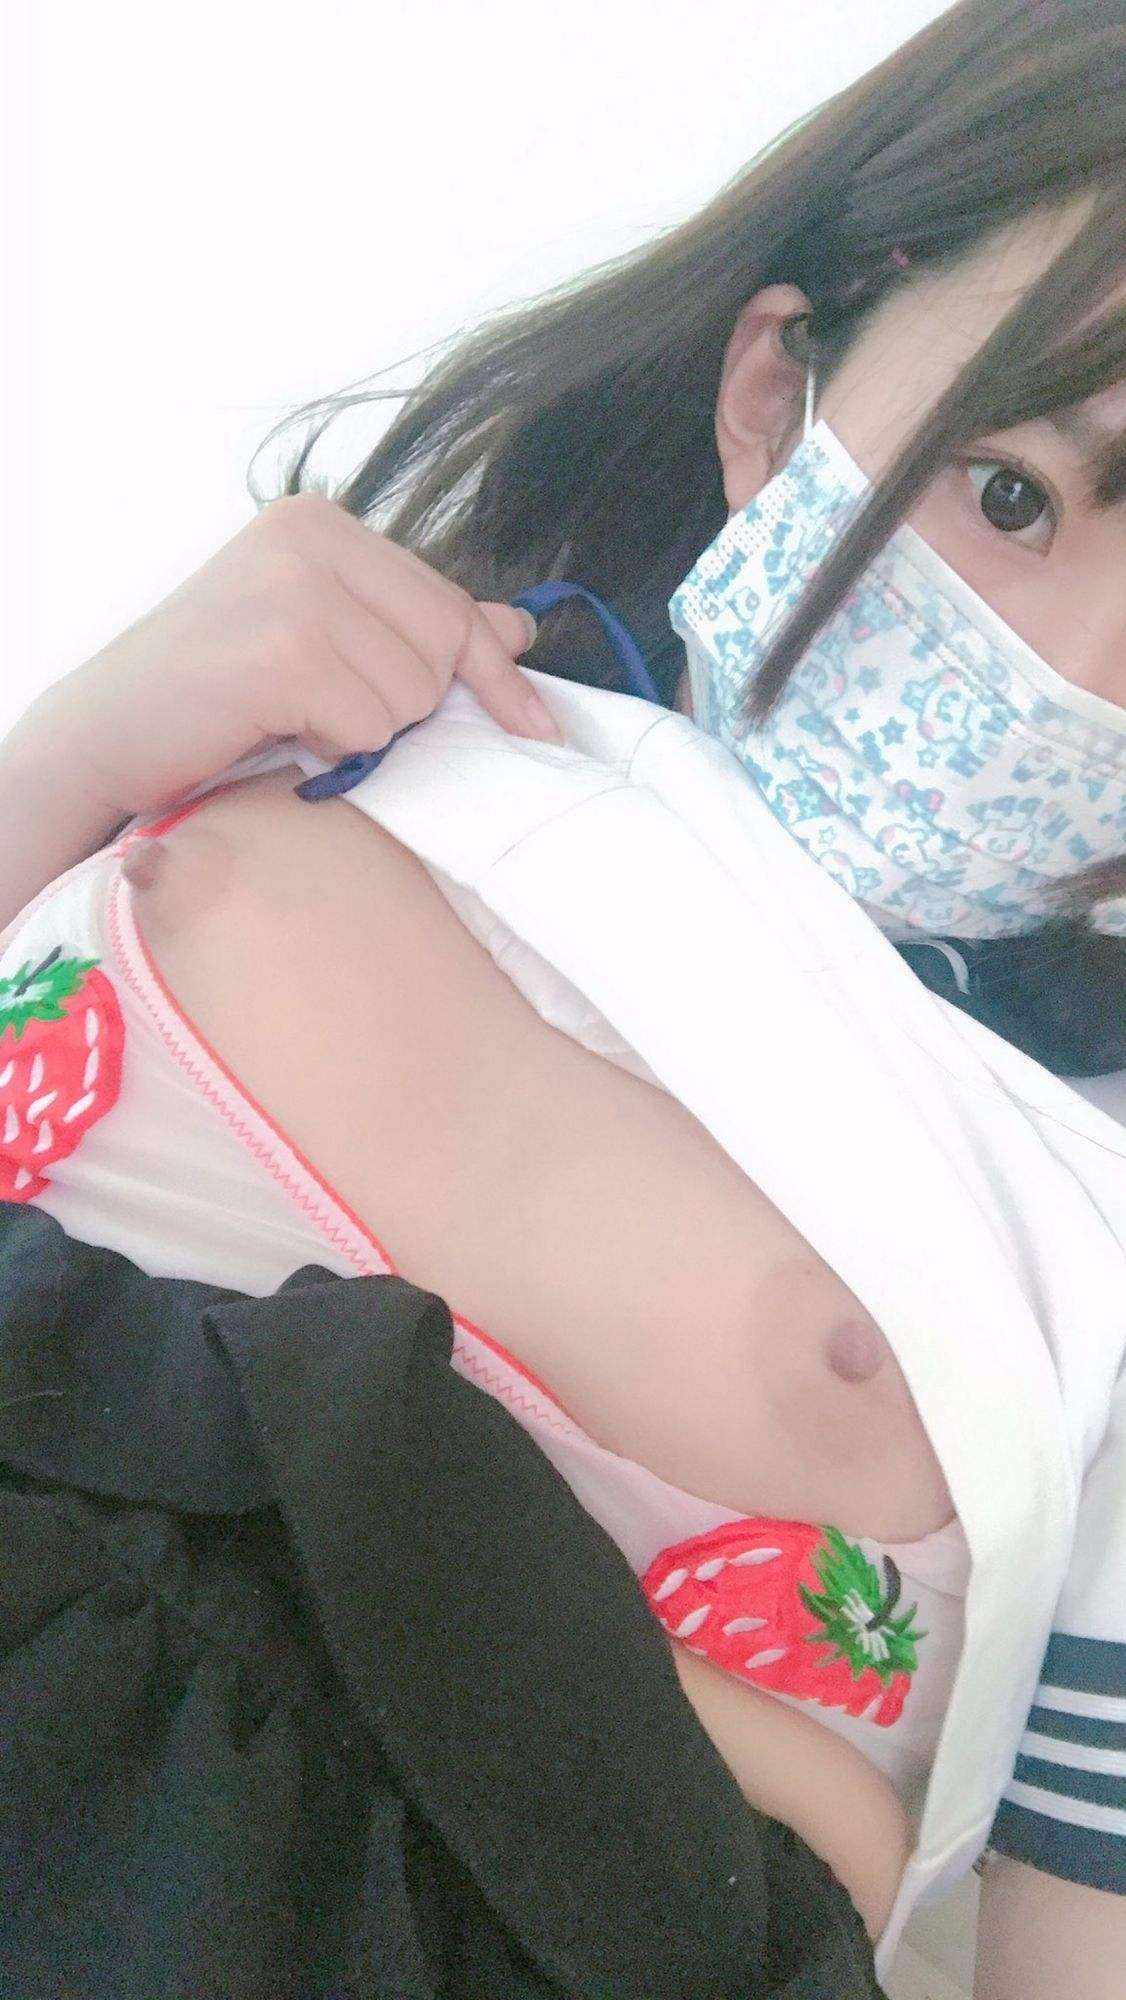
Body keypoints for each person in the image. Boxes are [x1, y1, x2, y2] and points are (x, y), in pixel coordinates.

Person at [1, 0, 1123, 1991]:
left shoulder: (1091, 1231)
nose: (1081, 670)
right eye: (1016, 494)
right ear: (777, 393)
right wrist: (69, 749)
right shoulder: (324, 686)